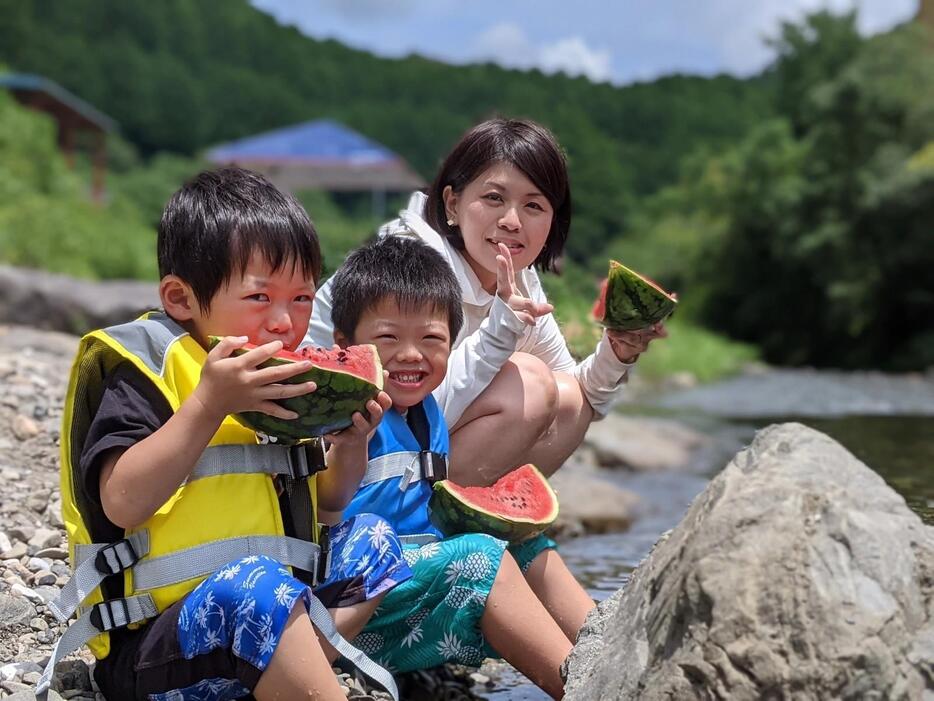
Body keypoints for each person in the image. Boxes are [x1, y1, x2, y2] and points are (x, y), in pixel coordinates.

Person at [40, 168, 412, 701]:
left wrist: (351, 443)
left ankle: (292, 671)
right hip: (156, 649)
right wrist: (209, 404)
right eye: (261, 298)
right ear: (181, 298)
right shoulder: (146, 368)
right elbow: (122, 503)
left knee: (373, 539)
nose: (285, 322)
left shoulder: (287, 383)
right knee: (257, 587)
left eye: (303, 299)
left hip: (266, 617)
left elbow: (327, 505)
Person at [308, 118, 668, 486]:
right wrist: (501, 330)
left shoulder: (518, 279)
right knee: (529, 382)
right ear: (452, 203)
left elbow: (579, 396)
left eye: (534, 205)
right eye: (494, 198)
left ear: (552, 221)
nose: (512, 221)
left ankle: (485, 514)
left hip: (413, 445)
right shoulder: (410, 266)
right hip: (344, 454)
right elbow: (405, 405)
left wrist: (617, 352)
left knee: (569, 398)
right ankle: (431, 521)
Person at [327, 236, 595, 700]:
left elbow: (480, 360)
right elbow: (324, 501)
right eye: (388, 338)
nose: (411, 354)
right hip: (355, 611)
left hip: (412, 588)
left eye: (431, 339)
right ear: (345, 346)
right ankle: (589, 692)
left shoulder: (429, 407)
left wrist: (505, 320)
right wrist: (348, 443)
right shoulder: (344, 411)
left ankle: (609, 647)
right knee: (482, 558)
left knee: (530, 545)